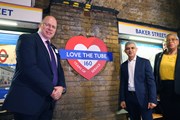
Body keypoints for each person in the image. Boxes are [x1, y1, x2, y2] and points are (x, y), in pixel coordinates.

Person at [2, 16, 66, 120]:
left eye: (53, 27)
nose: (50, 28)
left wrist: (62, 87)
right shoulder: (27, 39)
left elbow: (59, 71)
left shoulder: (53, 49)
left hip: (48, 102)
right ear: (40, 25)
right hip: (28, 102)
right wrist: (52, 90)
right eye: (47, 25)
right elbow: (28, 68)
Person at [119, 41, 157, 120]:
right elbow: (122, 84)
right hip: (130, 98)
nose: (130, 50)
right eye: (128, 48)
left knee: (147, 118)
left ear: (136, 49)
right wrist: (122, 99)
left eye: (132, 48)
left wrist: (153, 99)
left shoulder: (145, 62)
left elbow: (151, 82)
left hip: (144, 98)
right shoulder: (123, 65)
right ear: (125, 51)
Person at [154, 33, 180, 120]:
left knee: (177, 113)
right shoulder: (158, 56)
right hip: (163, 89)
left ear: (178, 42)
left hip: (177, 88)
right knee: (166, 113)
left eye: (173, 39)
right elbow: (156, 74)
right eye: (168, 40)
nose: (170, 41)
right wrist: (156, 91)